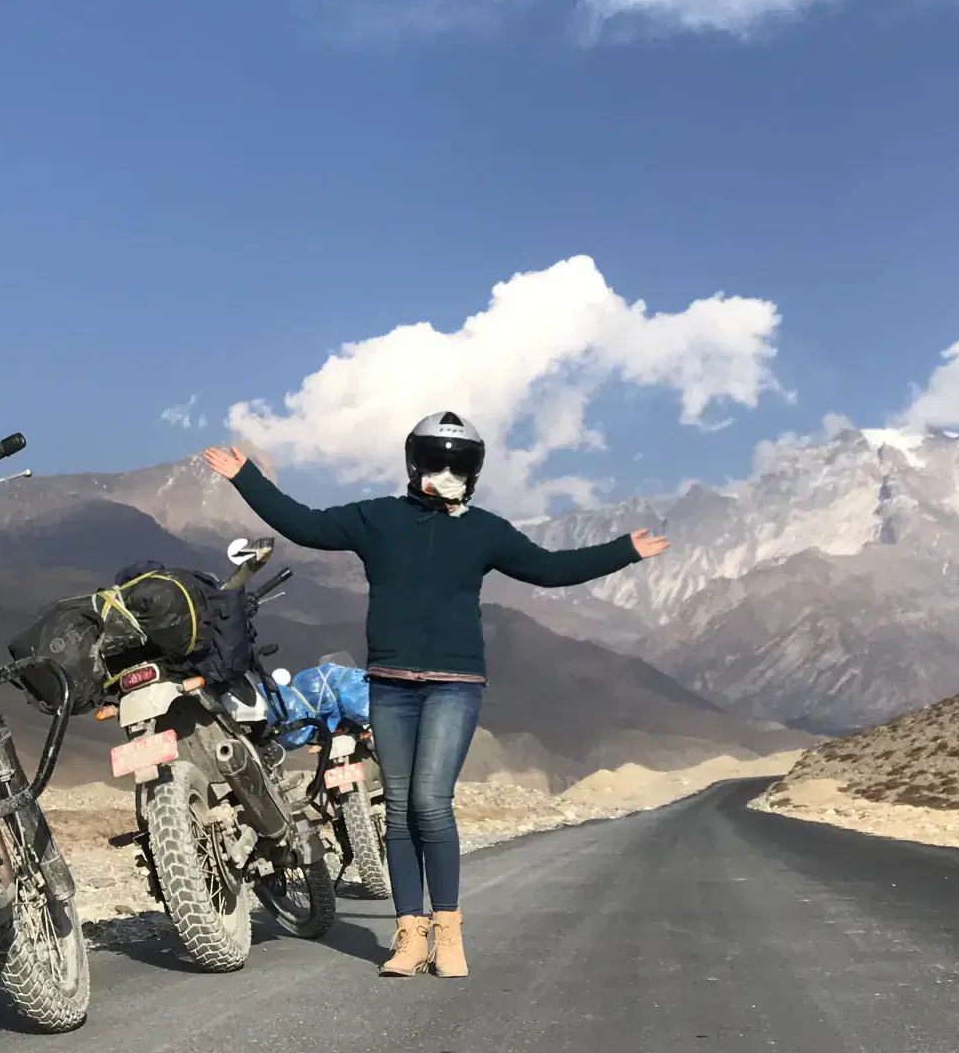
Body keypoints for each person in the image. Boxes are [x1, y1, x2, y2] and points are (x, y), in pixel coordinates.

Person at [202, 413, 668, 980]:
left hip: (454, 685)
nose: (445, 471)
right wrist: (245, 476)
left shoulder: (485, 531)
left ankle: (448, 934)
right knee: (397, 810)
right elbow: (303, 525)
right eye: (435, 459)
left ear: (472, 471)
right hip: (390, 685)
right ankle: (409, 936)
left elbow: (549, 568)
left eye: (458, 463)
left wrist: (625, 549)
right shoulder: (376, 519)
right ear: (414, 462)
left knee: (429, 802)